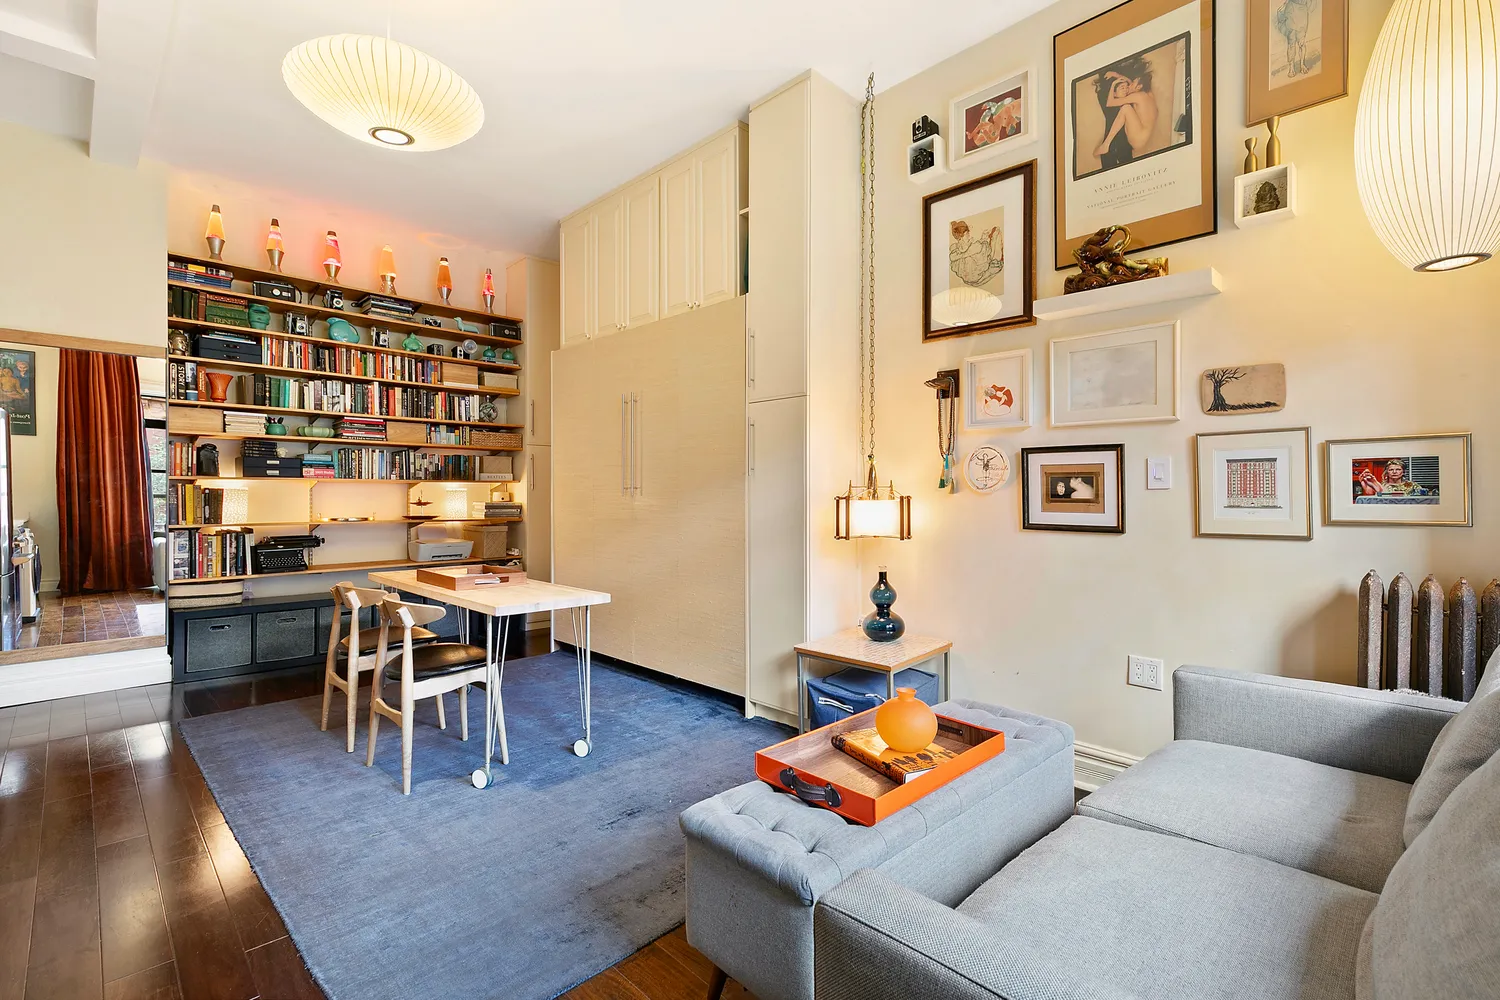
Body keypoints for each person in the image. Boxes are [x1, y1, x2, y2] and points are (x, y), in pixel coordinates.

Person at [1092, 55, 1158, 169]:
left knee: (1126, 108)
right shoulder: (1149, 94)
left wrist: (1113, 84)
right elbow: (1133, 82)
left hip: (1137, 140)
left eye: (1132, 84)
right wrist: (1117, 75)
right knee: (1126, 109)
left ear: (1139, 87)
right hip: (1144, 138)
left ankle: (1106, 145)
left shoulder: (1137, 96)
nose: (1129, 84)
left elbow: (1110, 103)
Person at [948, 220, 1004, 288]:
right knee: (996, 232)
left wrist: (983, 239)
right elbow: (984, 252)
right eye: (967, 234)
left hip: (968, 280)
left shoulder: (956, 249)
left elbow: (971, 250)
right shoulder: (973, 247)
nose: (969, 235)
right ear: (962, 236)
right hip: (979, 278)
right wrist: (984, 240)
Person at [1357, 458, 1432, 497]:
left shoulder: (1413, 485)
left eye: (1398, 469)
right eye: (1391, 470)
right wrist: (1368, 490)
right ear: (1387, 472)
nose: (1394, 472)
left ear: (1403, 472)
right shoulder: (1382, 486)